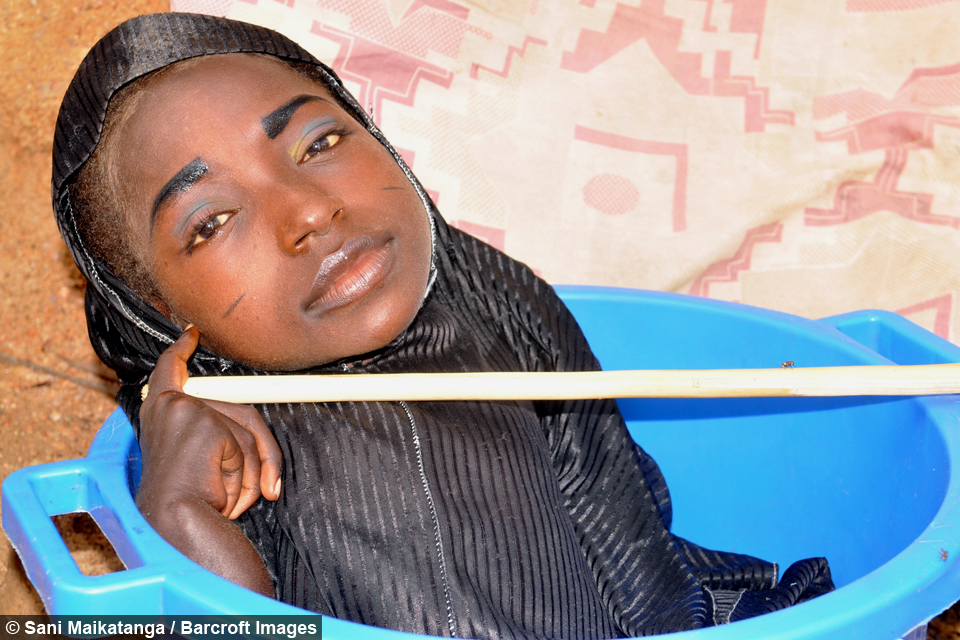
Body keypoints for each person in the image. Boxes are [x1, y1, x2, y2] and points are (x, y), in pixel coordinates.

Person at [53, 12, 833, 638]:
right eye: (212, 221)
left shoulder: (496, 301)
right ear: (155, 311)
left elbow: (621, 535)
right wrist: (180, 520)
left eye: (320, 142)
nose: (309, 210)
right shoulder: (220, 452)